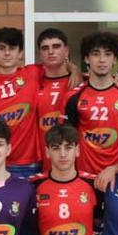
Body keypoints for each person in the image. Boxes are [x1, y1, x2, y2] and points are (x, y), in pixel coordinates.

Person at [64, 32, 118, 178]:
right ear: (86, 58)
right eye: (96, 54)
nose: (102, 60)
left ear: (115, 59)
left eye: (108, 54)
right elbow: (66, 142)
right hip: (85, 177)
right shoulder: (73, 97)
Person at [0, 27, 43, 177]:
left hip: (29, 164)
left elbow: (59, 68)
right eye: (2, 48)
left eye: (12, 48)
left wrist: (73, 69)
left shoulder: (33, 73)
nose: (7, 53)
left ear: (20, 53)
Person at [34, 28, 81, 173]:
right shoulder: (31, 82)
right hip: (39, 164)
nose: (51, 51)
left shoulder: (81, 83)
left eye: (56, 46)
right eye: (45, 48)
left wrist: (75, 70)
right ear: (40, 54)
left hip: (74, 164)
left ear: (66, 51)